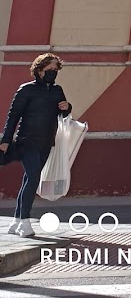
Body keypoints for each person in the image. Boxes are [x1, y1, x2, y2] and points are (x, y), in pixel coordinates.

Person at [0, 53, 71, 237]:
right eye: (50, 69)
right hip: (27, 141)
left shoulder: (57, 91)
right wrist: (5, 141)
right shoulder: (26, 90)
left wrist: (67, 107)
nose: (53, 73)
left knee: (28, 179)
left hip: (47, 142)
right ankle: (24, 222)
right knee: (33, 178)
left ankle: (16, 222)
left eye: (56, 70)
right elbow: (12, 116)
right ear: (39, 70)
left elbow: (62, 115)